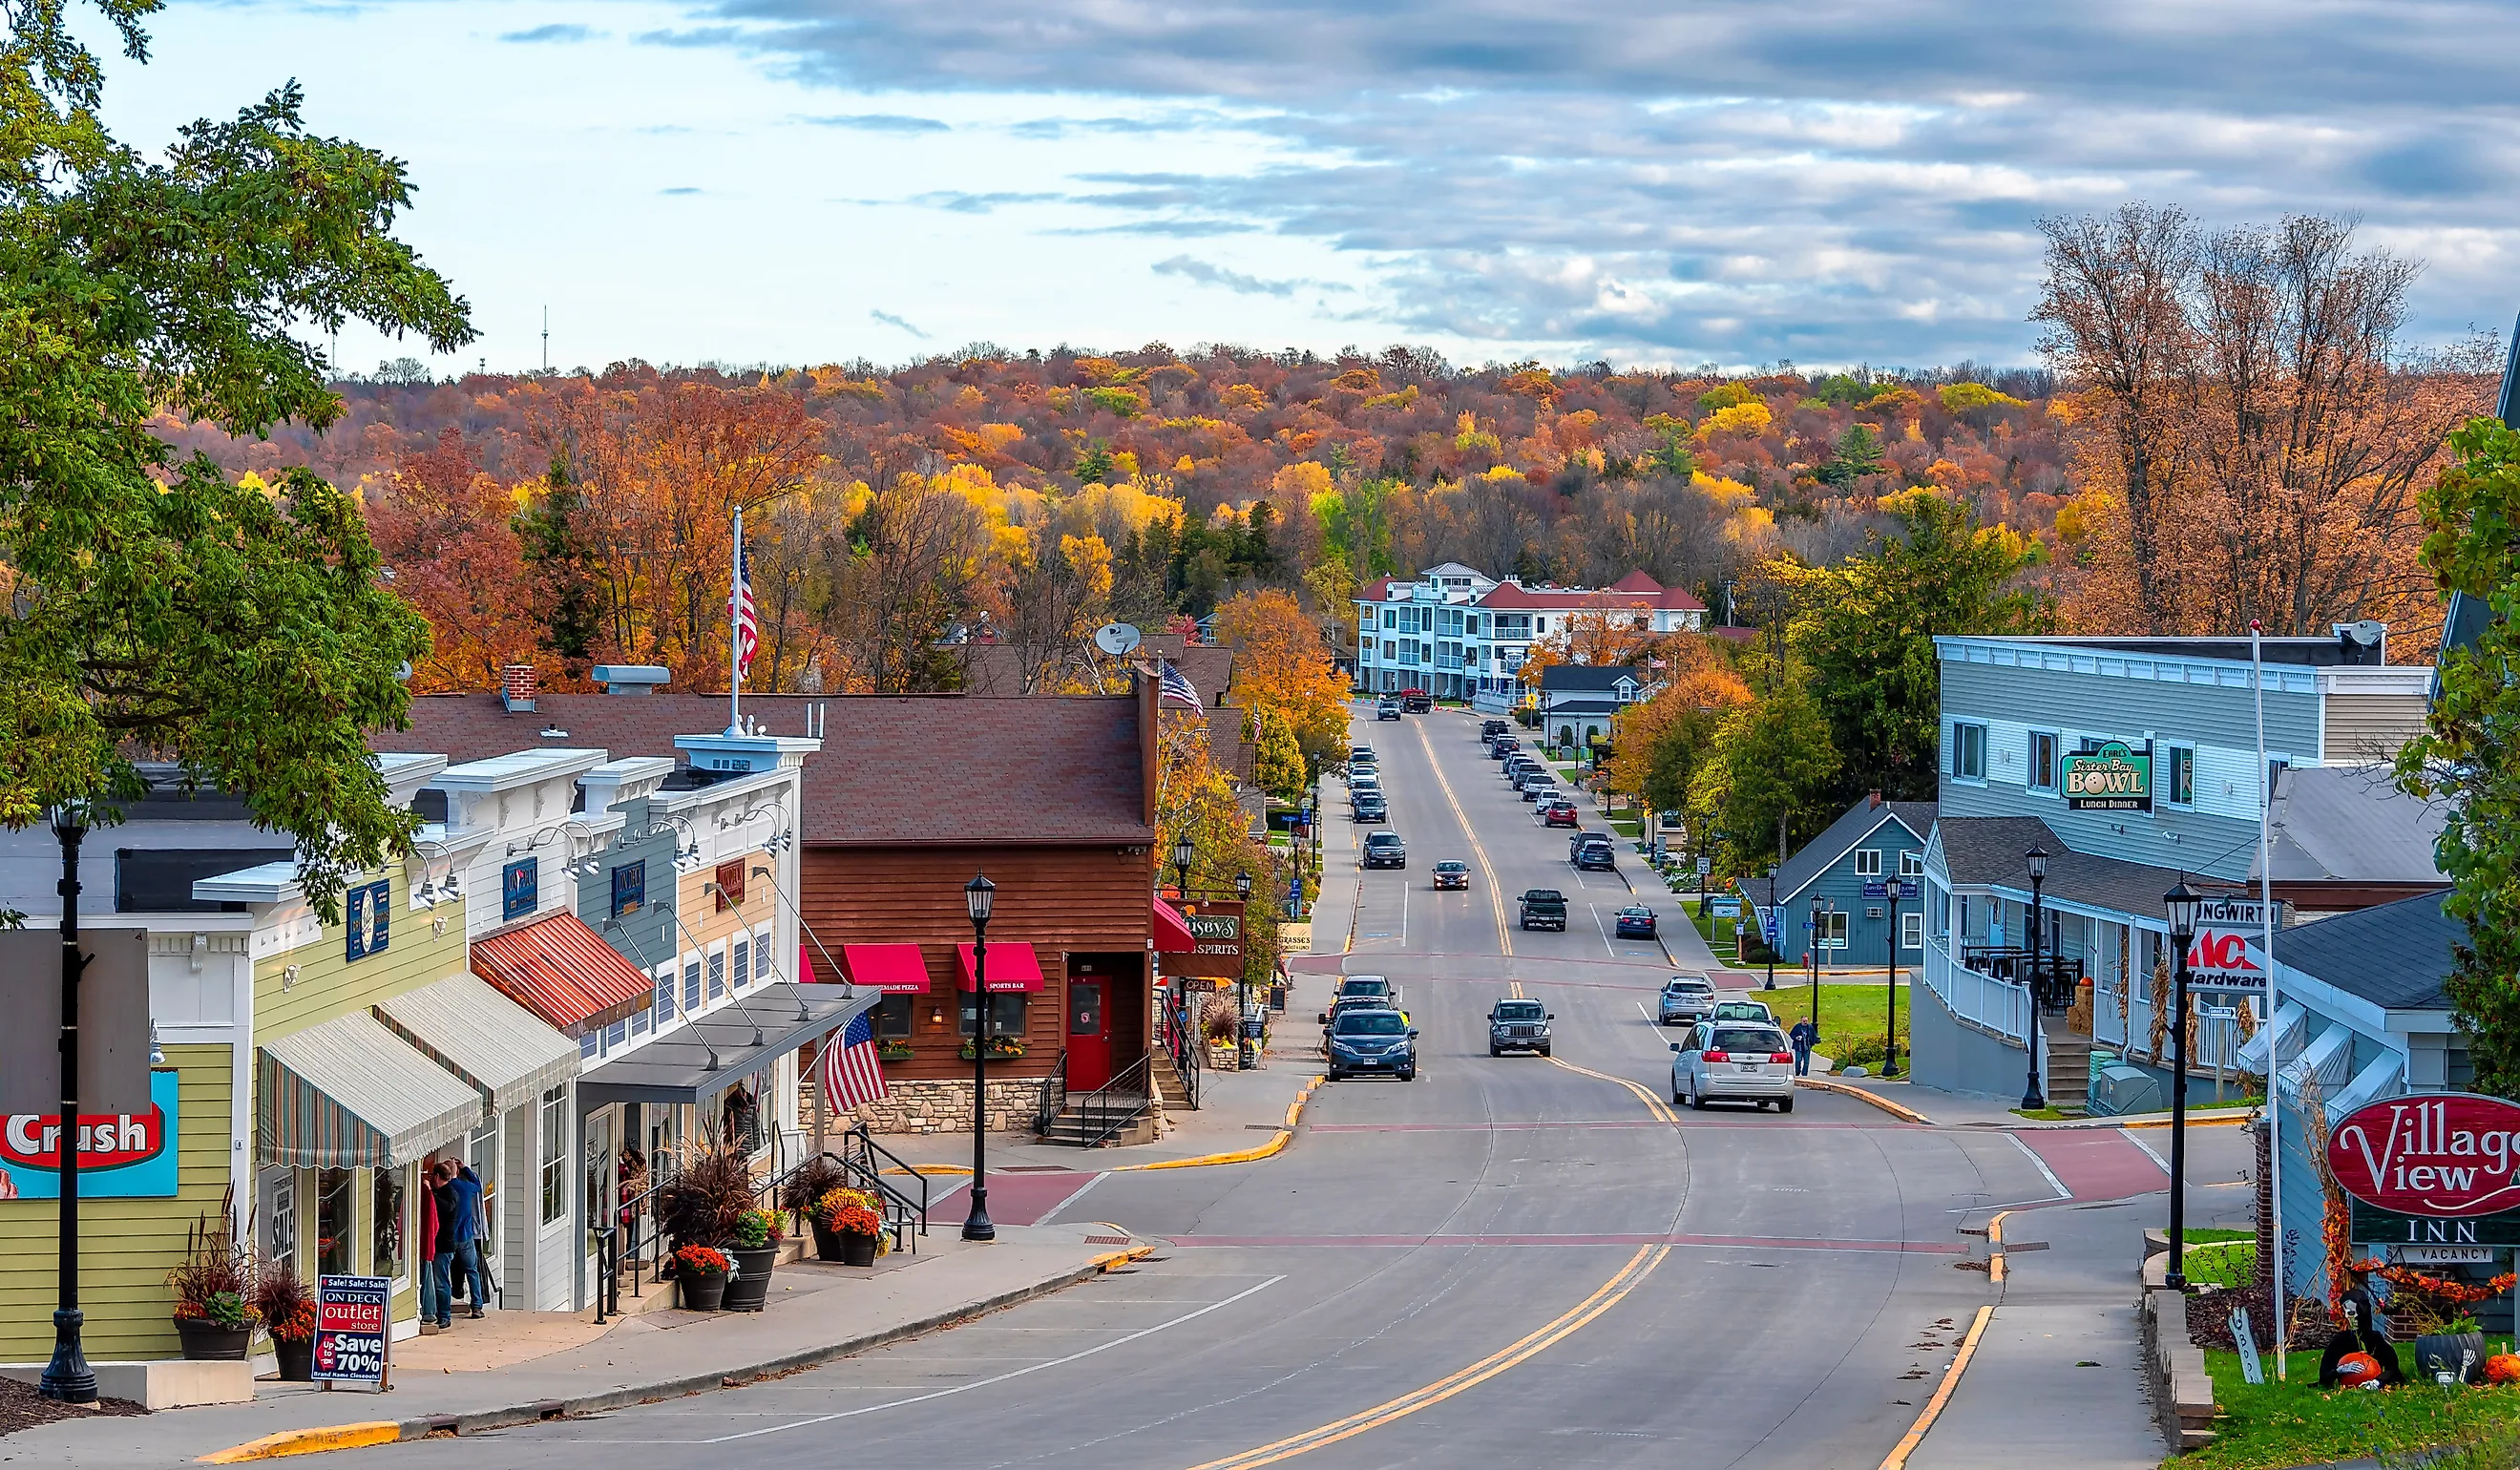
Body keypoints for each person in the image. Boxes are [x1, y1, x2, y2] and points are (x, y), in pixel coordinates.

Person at [427, 1161, 458, 1329]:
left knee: (441, 1281)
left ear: (437, 1177)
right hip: (437, 1245)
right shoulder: (444, 1192)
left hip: (444, 1246)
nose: (431, 1179)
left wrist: (431, 1193)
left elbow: (447, 1207)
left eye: (432, 1175)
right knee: (436, 1280)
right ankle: (436, 1311)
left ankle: (444, 1315)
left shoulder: (450, 1193)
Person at [416, 1164, 441, 1330]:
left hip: (424, 1245)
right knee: (428, 1277)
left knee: (428, 1278)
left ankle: (429, 1312)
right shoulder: (427, 1195)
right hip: (426, 1244)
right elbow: (436, 1225)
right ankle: (429, 1313)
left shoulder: (424, 1196)